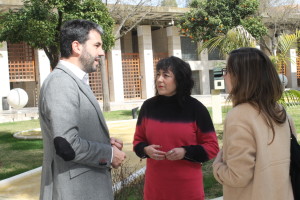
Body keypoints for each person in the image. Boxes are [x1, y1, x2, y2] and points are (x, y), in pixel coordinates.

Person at [38, 19, 126, 200]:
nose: (102, 53)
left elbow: (70, 134)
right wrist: (108, 154)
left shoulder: (73, 81)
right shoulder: (61, 82)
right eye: (97, 45)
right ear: (77, 47)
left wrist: (102, 141)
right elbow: (66, 145)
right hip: (75, 192)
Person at [213, 47, 296, 200]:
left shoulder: (238, 116)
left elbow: (237, 177)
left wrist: (217, 166)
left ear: (243, 77)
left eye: (227, 70)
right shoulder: (279, 111)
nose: (224, 76)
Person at [133, 56, 219, 200]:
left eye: (166, 75)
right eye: (158, 75)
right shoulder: (148, 107)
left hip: (187, 189)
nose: (160, 79)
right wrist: (145, 150)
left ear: (180, 79)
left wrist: (185, 151)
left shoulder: (196, 109)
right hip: (155, 189)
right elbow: (137, 142)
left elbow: (212, 147)